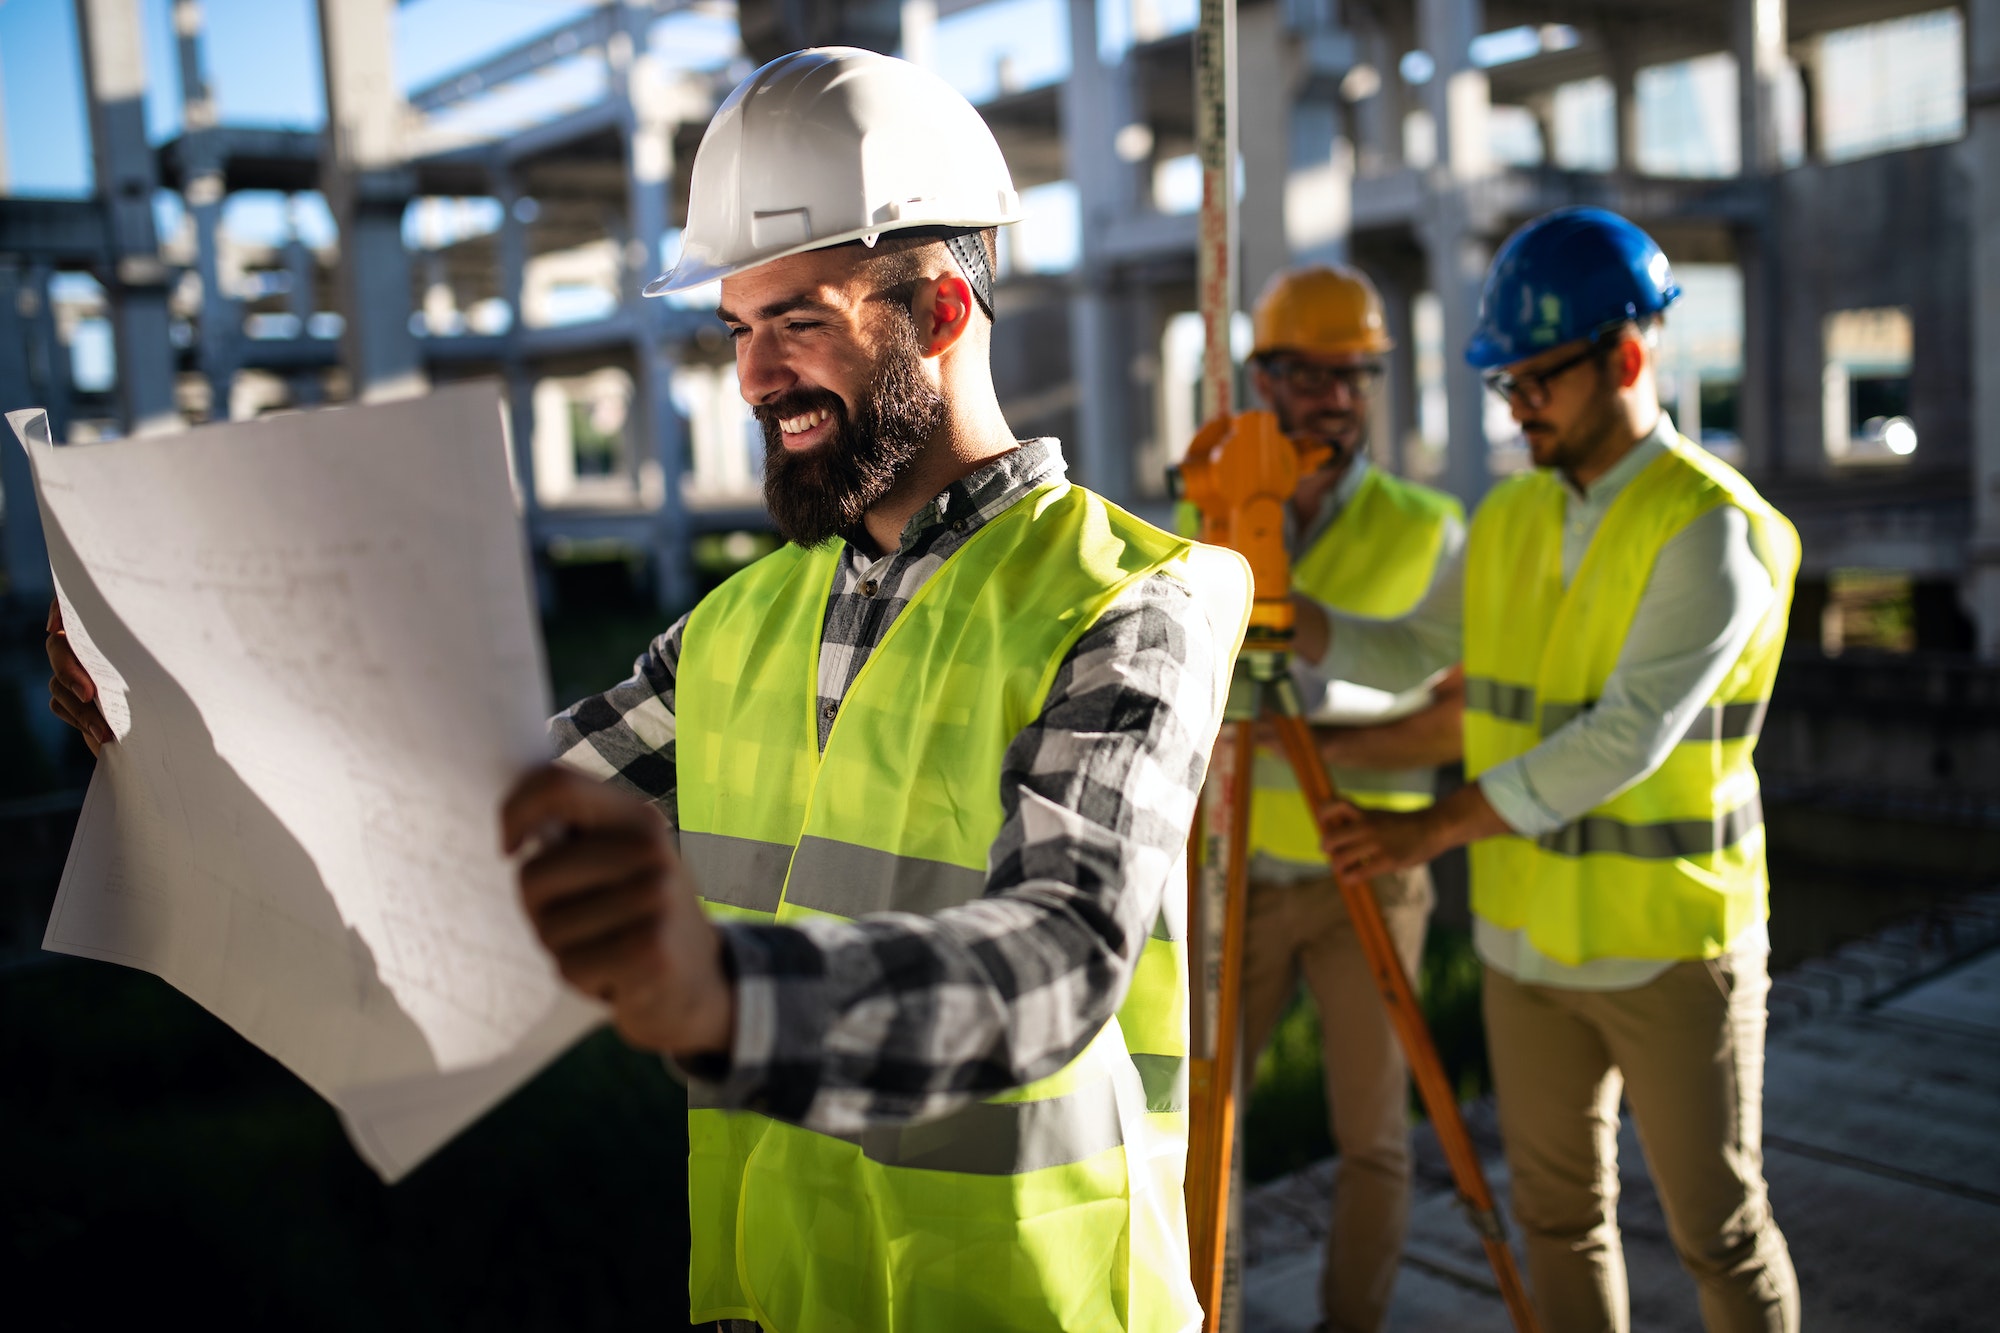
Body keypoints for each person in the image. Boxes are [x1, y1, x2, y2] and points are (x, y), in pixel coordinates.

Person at [47, 48, 1251, 1333]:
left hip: (1029, 1303)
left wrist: (724, 992)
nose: (751, 377)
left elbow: (1059, 956)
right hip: (768, 1297)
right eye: (737, 329)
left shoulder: (1136, 598)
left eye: (799, 321)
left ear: (941, 313)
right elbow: (462, 830)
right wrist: (175, 724)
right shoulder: (736, 627)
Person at [1303, 207, 1802, 1333]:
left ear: (1624, 356)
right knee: (1555, 1216)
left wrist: (1425, 832)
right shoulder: (1510, 517)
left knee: (1717, 1232)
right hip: (1525, 945)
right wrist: (1290, 619)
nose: (1515, 405)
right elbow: (1404, 651)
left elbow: (1623, 735)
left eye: (1534, 380)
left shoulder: (1710, 531)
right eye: (1504, 386)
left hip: (1671, 944)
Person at [1228, 265, 1466, 1333]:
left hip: (1366, 868)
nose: (1332, 397)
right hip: (1225, 875)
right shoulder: (1203, 518)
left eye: (1353, 377)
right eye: (1308, 376)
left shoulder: (1427, 529)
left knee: (1372, 1136)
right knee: (1198, 1122)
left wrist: (1282, 744)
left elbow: (1452, 721)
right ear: (1260, 377)